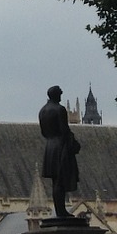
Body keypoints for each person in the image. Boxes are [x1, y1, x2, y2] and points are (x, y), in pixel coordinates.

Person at [39, 86, 81, 218]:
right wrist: (74, 144)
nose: (61, 97)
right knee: (60, 181)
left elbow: (43, 132)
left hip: (49, 146)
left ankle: (59, 211)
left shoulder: (42, 111)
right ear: (56, 95)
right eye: (60, 94)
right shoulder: (60, 109)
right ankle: (61, 211)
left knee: (55, 182)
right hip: (60, 147)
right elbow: (64, 130)